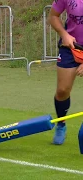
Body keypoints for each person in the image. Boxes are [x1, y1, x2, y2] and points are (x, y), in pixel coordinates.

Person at [48, 0, 83, 145]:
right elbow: (53, 16)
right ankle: (61, 124)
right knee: (62, 90)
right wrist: (64, 34)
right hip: (70, 47)